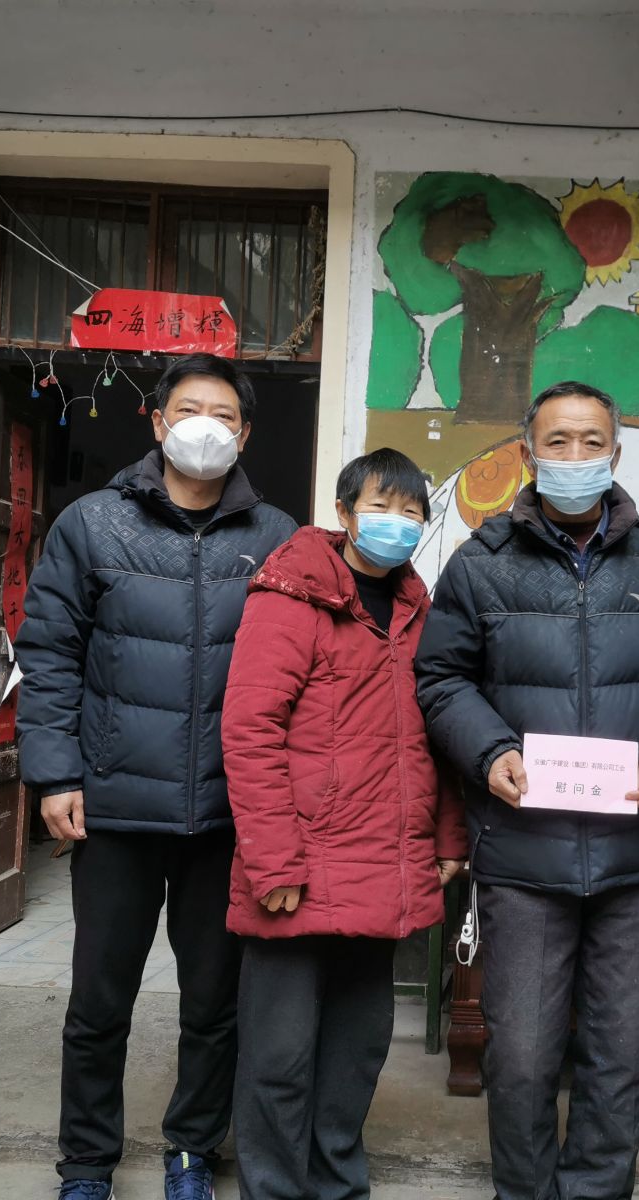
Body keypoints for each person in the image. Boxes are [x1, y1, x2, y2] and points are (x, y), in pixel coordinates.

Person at [415, 381, 639, 1200]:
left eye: (592, 442)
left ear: (616, 453)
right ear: (528, 454)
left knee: (619, 1054)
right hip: (521, 851)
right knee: (520, 1054)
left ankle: (596, 1190)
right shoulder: (481, 564)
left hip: (630, 854)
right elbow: (441, 677)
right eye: (558, 442)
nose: (575, 457)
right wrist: (489, 751)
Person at [16, 353, 296, 1200]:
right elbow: (50, 654)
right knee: (99, 1004)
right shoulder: (93, 525)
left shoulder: (277, 537)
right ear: (158, 420)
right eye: (190, 409)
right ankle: (86, 1164)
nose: (205, 425)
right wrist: (56, 773)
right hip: (114, 808)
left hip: (228, 813)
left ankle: (191, 1151)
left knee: (214, 1004)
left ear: (246, 434)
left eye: (224, 414)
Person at [222, 447, 467, 1200]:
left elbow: (438, 734)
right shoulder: (291, 597)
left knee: (358, 1052)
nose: (397, 522)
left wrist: (447, 838)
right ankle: (273, 1188)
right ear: (344, 512)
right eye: (380, 507)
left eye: (411, 511)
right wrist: (274, 861)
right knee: (279, 1057)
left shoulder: (421, 612)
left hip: (386, 865)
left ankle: (337, 1185)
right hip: (298, 864)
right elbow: (250, 730)